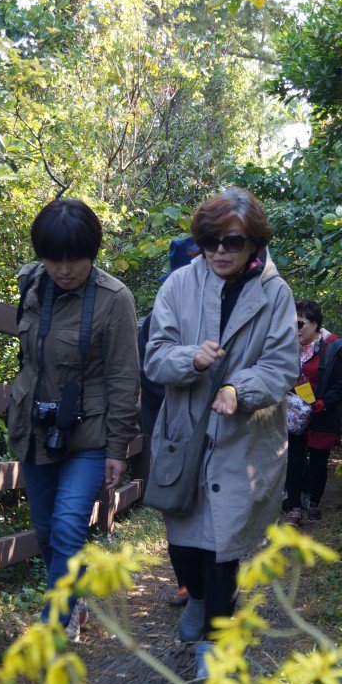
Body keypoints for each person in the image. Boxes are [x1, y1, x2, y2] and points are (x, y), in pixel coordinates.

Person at [144, 187, 298, 679]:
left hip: (244, 440)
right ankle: (199, 600)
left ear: (254, 242)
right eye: (209, 242)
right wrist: (191, 358)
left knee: (223, 545)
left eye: (231, 242)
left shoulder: (276, 294)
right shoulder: (177, 286)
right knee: (185, 545)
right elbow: (154, 356)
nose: (219, 252)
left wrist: (239, 387)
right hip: (186, 433)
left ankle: (216, 643)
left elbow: (281, 366)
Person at [6, 198, 141, 640]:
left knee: (67, 526)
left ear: (93, 254)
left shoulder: (114, 299)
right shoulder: (31, 284)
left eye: (74, 259)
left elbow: (124, 376)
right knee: (46, 532)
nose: (63, 269)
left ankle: (53, 627)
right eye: (53, 258)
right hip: (36, 428)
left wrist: (118, 447)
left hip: (90, 432)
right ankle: (75, 601)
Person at [137, 234, 200, 608]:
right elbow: (149, 373)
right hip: (171, 424)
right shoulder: (156, 318)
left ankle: (208, 585)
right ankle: (189, 582)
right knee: (176, 501)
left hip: (208, 421)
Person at [284, 299, 342, 525]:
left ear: (315, 324)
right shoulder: (288, 347)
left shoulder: (334, 347)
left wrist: (325, 402)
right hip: (295, 416)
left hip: (322, 415)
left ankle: (314, 502)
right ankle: (294, 507)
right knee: (293, 462)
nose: (295, 329)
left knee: (317, 463)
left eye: (300, 324)